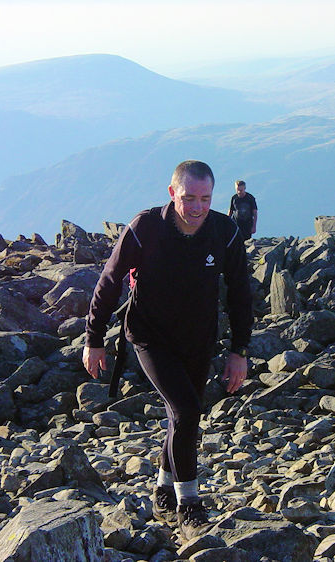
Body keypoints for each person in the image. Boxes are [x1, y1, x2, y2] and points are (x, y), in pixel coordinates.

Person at [82, 160, 253, 542]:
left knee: (183, 414)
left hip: (198, 339)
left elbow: (241, 295)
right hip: (150, 336)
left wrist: (238, 350)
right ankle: (188, 506)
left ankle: (162, 489)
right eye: (189, 197)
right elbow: (110, 283)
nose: (197, 207)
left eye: (205, 198)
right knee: (187, 410)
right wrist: (93, 339)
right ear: (172, 192)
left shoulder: (224, 232)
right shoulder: (146, 229)